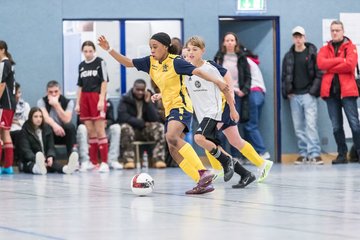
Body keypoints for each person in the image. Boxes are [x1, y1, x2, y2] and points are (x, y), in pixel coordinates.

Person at [98, 32, 230, 194]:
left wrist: (218, 81)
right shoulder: (150, 62)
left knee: (171, 137)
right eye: (150, 47)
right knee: (173, 151)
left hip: (181, 106)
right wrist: (109, 49)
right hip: (169, 109)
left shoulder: (177, 62)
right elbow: (127, 63)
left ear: (166, 47)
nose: (152, 50)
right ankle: (201, 182)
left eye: (155, 47)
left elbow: (199, 72)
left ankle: (204, 172)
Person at [185, 36, 272, 188]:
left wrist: (231, 102)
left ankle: (223, 167)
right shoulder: (188, 70)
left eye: (195, 49)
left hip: (220, 108)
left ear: (202, 51)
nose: (191, 53)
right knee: (234, 141)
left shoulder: (210, 66)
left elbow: (227, 77)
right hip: (210, 110)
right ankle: (258, 165)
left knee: (206, 138)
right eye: (189, 50)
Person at [317, 20, 360, 164]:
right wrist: (339, 60)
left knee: (354, 124)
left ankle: (358, 152)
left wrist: (330, 67)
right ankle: (342, 154)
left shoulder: (351, 46)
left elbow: (350, 66)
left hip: (348, 92)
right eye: (332, 30)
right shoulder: (324, 49)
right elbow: (321, 64)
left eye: (337, 30)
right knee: (336, 126)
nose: (335, 33)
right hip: (331, 93)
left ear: (343, 31)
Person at [282, 26, 323, 165]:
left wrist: (313, 91)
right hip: (294, 96)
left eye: (300, 36)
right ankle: (303, 153)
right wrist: (287, 91)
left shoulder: (312, 54)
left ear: (304, 37)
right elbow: (284, 76)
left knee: (311, 125)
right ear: (293, 38)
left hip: (309, 94)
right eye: (296, 37)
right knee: (298, 126)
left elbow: (319, 74)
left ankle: (315, 154)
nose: (298, 39)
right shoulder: (288, 56)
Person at [214, 32, 251, 160]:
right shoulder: (219, 57)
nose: (229, 42)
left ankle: (236, 156)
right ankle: (224, 156)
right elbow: (214, 75)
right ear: (224, 42)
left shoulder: (241, 57)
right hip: (222, 95)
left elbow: (248, 76)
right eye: (227, 40)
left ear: (236, 42)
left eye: (232, 40)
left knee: (234, 126)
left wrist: (244, 90)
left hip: (237, 95)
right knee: (221, 126)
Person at [75, 41, 110, 172]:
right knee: (90, 132)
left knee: (100, 130)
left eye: (90, 51)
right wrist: (78, 103)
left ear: (94, 51)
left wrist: (101, 99)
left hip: (96, 97)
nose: (88, 54)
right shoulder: (81, 65)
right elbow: (79, 85)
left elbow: (104, 81)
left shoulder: (100, 62)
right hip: (84, 97)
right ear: (82, 52)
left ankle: (105, 162)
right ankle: (93, 162)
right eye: (85, 51)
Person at [118, 79, 166, 169]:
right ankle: (128, 160)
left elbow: (155, 119)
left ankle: (158, 159)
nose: (140, 92)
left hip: (145, 131)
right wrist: (142, 123)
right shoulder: (125, 98)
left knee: (159, 127)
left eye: (142, 90)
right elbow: (123, 117)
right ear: (133, 88)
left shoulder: (150, 97)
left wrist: (148, 103)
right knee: (125, 127)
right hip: (132, 129)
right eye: (138, 90)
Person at [19, 107, 78, 175]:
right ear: (30, 118)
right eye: (35, 116)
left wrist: (50, 156)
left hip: (45, 159)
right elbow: (26, 151)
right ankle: (39, 169)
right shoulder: (24, 131)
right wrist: (37, 159)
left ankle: (67, 169)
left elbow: (51, 146)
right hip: (31, 160)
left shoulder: (47, 128)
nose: (39, 119)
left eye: (40, 116)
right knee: (31, 165)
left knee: (54, 163)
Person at [77, 99, 122, 171]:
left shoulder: (108, 102)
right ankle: (85, 161)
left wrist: (105, 123)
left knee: (116, 127)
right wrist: (93, 124)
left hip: (104, 130)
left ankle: (112, 160)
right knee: (81, 128)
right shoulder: (85, 101)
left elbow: (112, 120)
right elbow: (80, 120)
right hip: (90, 131)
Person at [37, 80, 78, 158]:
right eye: (50, 92)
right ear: (47, 92)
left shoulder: (69, 102)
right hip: (49, 134)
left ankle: (72, 158)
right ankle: (50, 158)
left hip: (64, 134)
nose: (54, 94)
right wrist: (55, 126)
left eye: (56, 91)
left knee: (70, 126)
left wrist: (56, 105)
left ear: (60, 91)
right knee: (46, 126)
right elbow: (45, 118)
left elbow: (67, 119)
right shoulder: (41, 101)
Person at [243, 48, 270, 160]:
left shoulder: (244, 61)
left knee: (250, 125)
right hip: (260, 94)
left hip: (253, 93)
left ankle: (262, 152)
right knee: (250, 125)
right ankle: (251, 155)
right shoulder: (252, 61)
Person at [0, 40, 16, 174]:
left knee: (3, 133)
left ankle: (5, 166)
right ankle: (7, 166)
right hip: (9, 104)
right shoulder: (9, 64)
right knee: (5, 133)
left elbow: (1, 85)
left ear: (2, 50)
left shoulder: (4, 64)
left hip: (4, 104)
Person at [10, 82, 30, 166]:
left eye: (19, 92)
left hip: (21, 131)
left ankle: (23, 161)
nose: (18, 95)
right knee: (19, 133)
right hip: (7, 131)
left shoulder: (25, 105)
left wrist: (14, 121)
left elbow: (27, 123)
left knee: (23, 133)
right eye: (15, 93)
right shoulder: (3, 105)